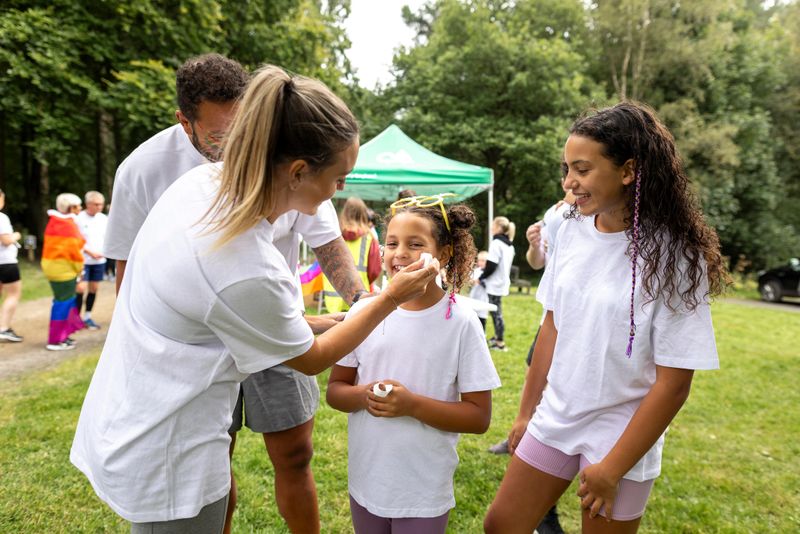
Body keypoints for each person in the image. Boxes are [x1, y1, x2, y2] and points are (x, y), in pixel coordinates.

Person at [71, 65, 439, 533]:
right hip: (170, 454)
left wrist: (340, 315)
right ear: (299, 171)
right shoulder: (241, 262)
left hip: (142, 418)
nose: (342, 189)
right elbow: (311, 359)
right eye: (339, 176)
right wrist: (388, 299)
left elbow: (250, 319)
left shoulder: (205, 187)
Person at [484, 102, 726, 534]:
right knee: (502, 524)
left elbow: (675, 384)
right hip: (557, 414)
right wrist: (525, 413)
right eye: (566, 168)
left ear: (629, 170)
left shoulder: (674, 257)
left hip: (621, 431)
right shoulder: (567, 227)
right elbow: (552, 326)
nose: (568, 182)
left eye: (582, 168)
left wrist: (613, 467)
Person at [327, 195, 500, 534]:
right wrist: (365, 396)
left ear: (444, 254)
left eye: (414, 244)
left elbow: (479, 417)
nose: (399, 253)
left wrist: (411, 405)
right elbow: (335, 391)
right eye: (391, 243)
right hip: (366, 481)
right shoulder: (365, 313)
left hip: (423, 490)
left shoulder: (461, 321)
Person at [41, 193, 85, 351]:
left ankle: (63, 335)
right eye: (78, 206)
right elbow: (74, 251)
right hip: (63, 270)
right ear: (70, 208)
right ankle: (54, 340)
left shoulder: (56, 221)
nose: (80, 209)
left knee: (66, 301)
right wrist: (80, 271)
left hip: (55, 268)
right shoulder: (66, 225)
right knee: (63, 303)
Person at [322, 197, 381, 311]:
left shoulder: (333, 235)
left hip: (334, 296)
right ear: (363, 214)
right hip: (359, 295)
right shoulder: (369, 238)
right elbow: (375, 270)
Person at [479, 216, 515, 351]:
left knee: (496, 313)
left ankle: (500, 343)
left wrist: (482, 277)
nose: (491, 228)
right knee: (496, 312)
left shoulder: (496, 244)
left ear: (499, 227)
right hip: (502, 282)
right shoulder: (508, 245)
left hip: (495, 284)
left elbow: (492, 265)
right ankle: (497, 336)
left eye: (493, 225)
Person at [75, 191, 107, 330]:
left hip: (99, 260)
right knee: (80, 288)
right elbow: (76, 240)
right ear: (88, 204)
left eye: (101, 204)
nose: (99, 207)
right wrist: (89, 252)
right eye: (96, 204)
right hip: (83, 260)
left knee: (94, 288)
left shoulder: (104, 218)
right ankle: (75, 318)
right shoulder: (78, 218)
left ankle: (87, 316)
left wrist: (105, 252)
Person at [0, 189, 24, 342]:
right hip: (6, 261)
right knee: (13, 294)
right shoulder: (2, 218)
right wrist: (17, 235)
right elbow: (6, 240)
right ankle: (3, 328)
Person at [469, 250, 490, 331]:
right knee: (473, 318)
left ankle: (483, 335)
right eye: (479, 260)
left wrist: (480, 281)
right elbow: (471, 280)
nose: (480, 262)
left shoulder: (488, 274)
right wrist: (471, 281)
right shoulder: (476, 271)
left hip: (483, 298)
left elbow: (488, 285)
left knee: (482, 318)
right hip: (474, 297)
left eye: (483, 261)